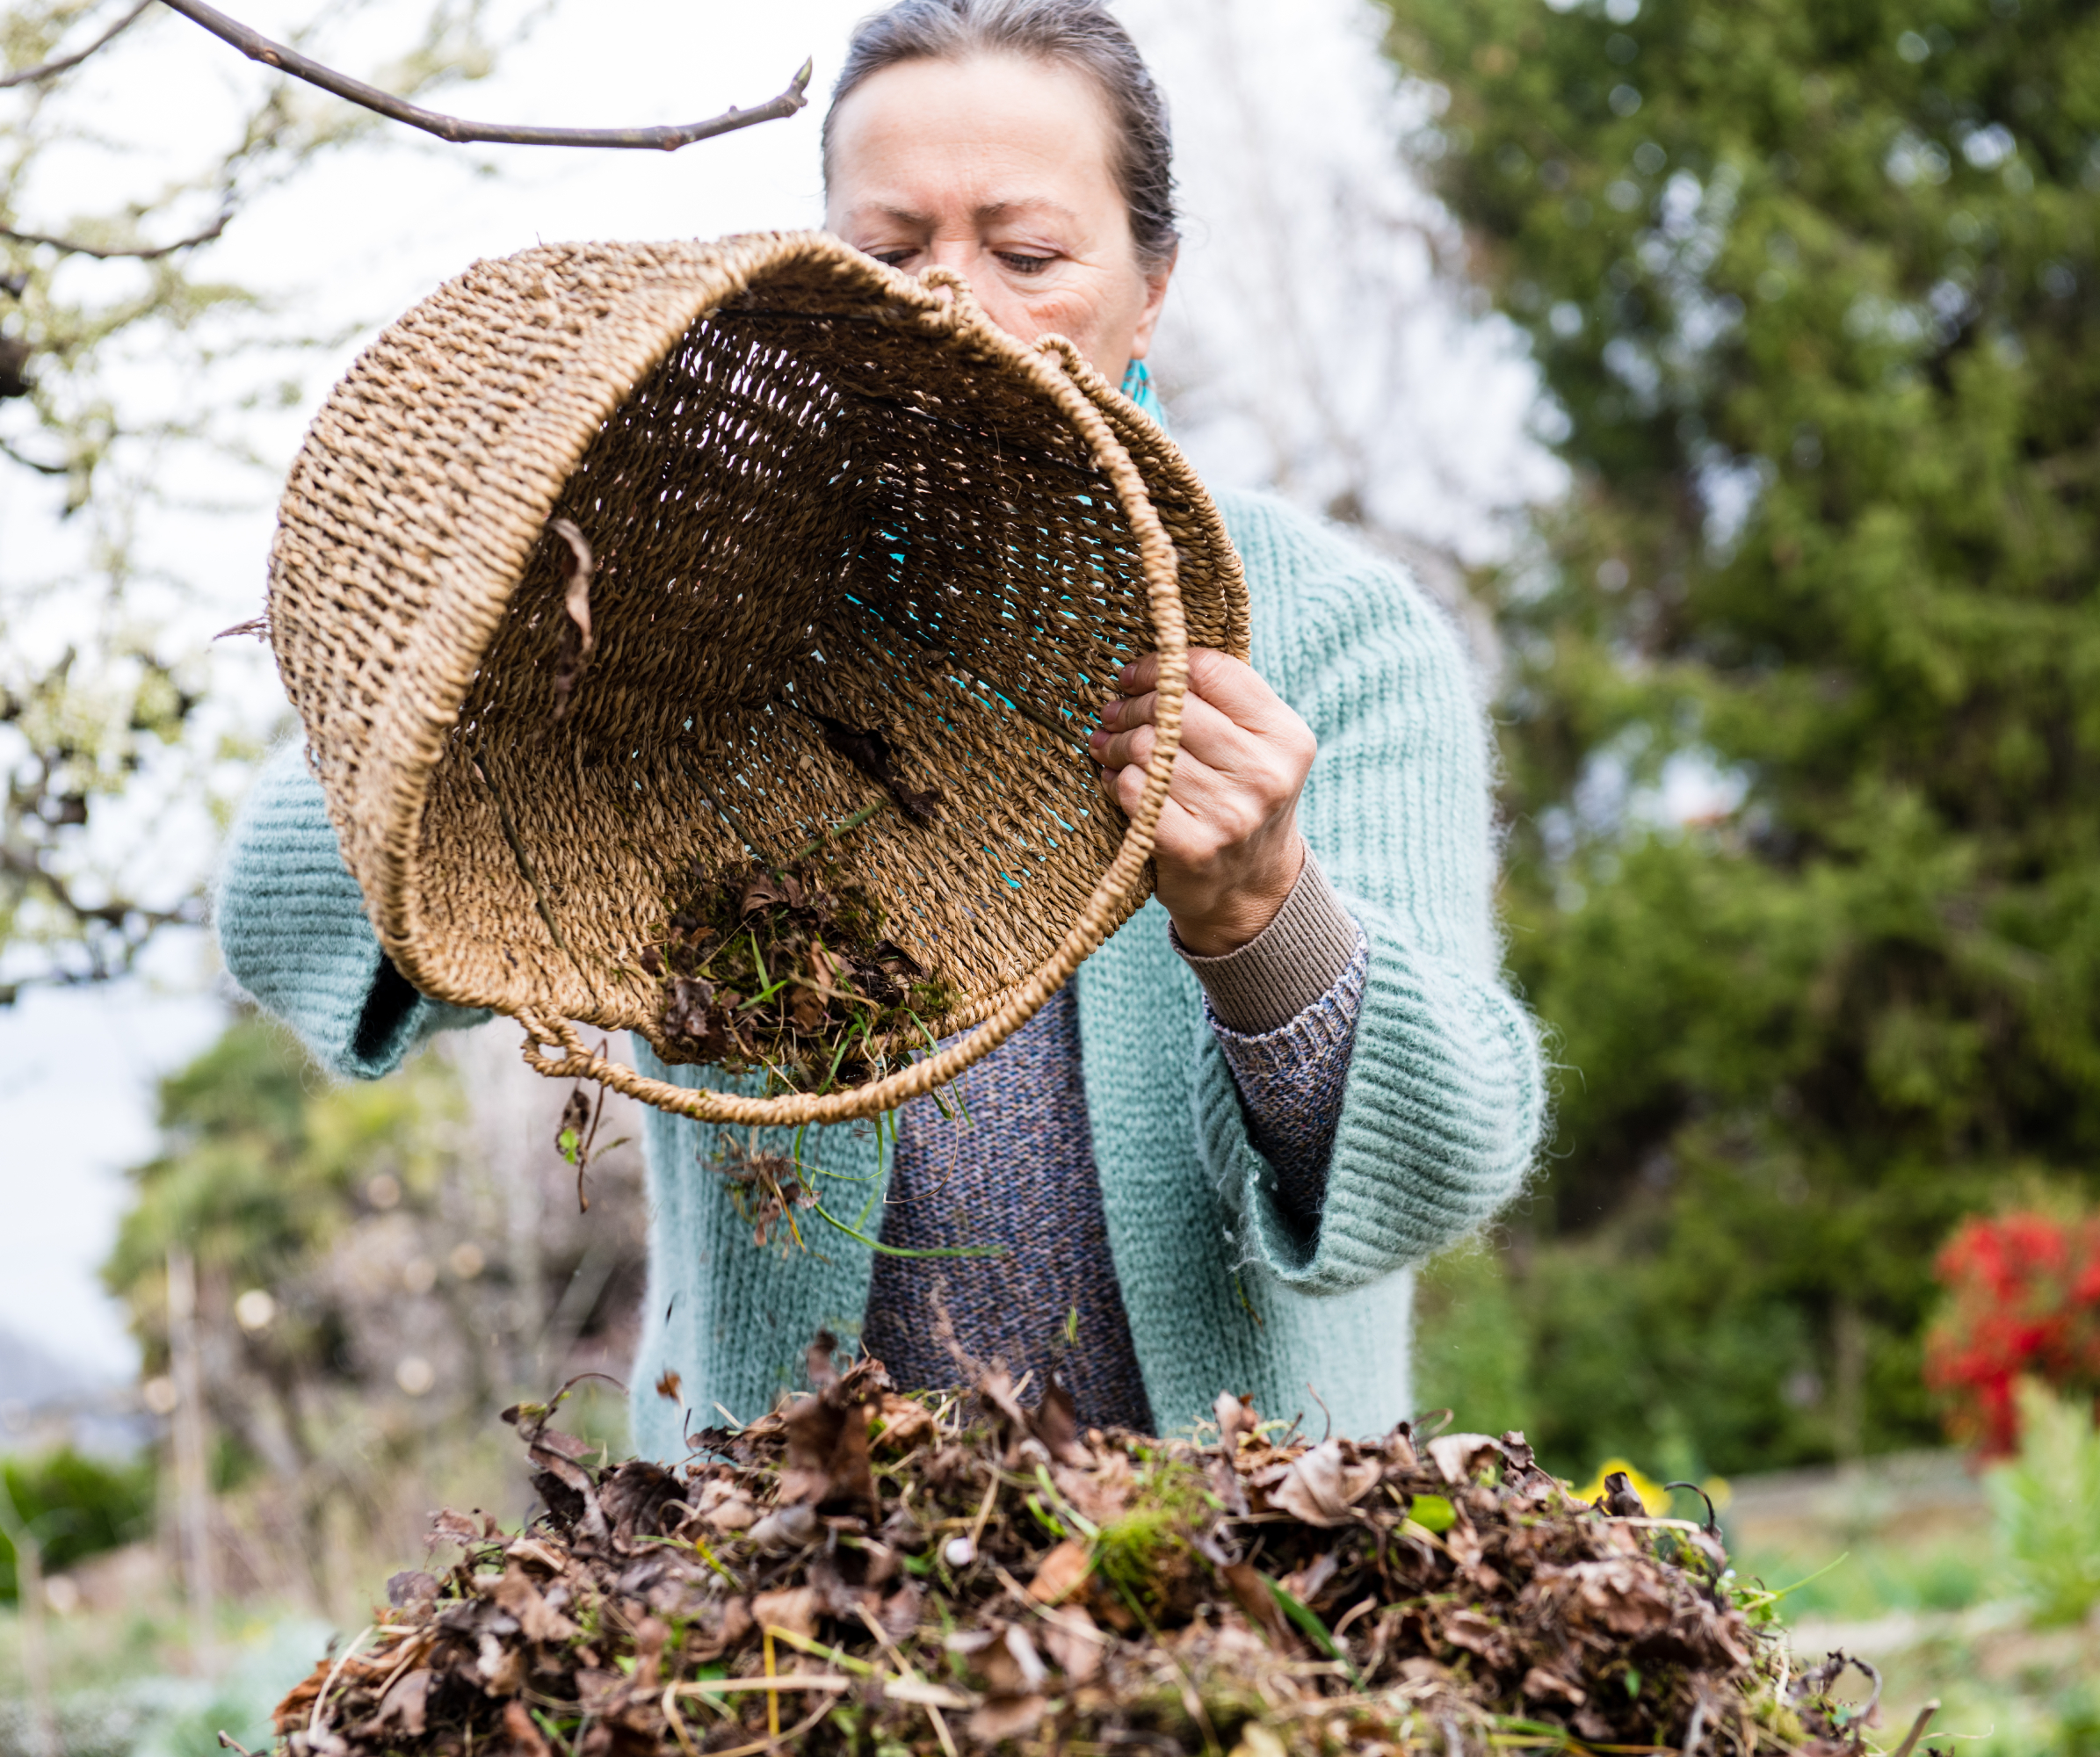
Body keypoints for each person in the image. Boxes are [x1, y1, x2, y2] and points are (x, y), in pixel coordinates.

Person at [215, 0, 1543, 1454]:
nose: (947, 301)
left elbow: (1438, 1167)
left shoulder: (1337, 635)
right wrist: (547, 639)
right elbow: (285, 917)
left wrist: (1264, 922)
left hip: (1230, 1584)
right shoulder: (730, 603)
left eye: (1026, 254)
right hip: (770, 1606)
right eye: (890, 252)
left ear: (1152, 285)